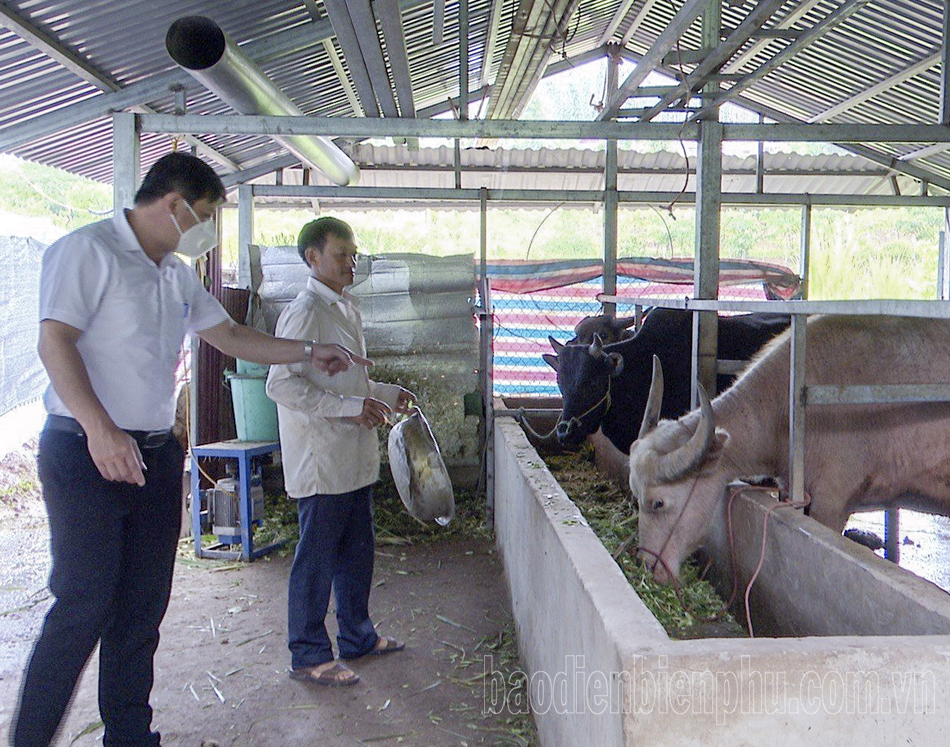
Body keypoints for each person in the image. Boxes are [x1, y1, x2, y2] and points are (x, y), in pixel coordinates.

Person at [13, 153, 369, 746]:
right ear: (173, 204)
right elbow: (56, 343)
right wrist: (100, 429)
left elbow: (228, 335)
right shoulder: (88, 251)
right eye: (204, 216)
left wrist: (308, 353)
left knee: (143, 607)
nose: (206, 230)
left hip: (152, 454)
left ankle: (130, 736)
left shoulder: (175, 274)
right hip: (83, 448)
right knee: (83, 604)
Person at [266, 216, 413, 687]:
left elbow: (352, 380)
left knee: (357, 552)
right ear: (312, 258)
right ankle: (308, 652)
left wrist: (386, 394)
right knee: (317, 557)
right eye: (341, 254)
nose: (351, 261)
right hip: (322, 458)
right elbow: (280, 385)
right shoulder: (305, 311)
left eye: (353, 253)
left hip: (352, 456)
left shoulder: (346, 307)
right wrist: (350, 408)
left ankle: (357, 637)